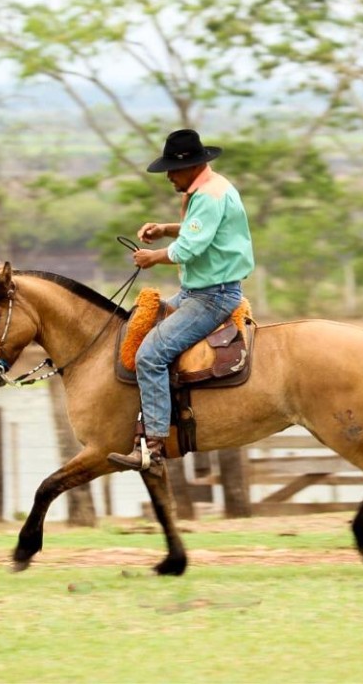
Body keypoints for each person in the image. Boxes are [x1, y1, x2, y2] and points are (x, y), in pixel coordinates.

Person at [108, 128, 255, 472]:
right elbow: (199, 228)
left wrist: (152, 257)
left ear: (189, 165)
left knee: (150, 354)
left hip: (211, 297)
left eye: (171, 171)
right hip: (200, 291)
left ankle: (154, 445)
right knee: (140, 327)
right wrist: (164, 228)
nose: (169, 178)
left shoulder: (208, 196)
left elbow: (190, 247)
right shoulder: (214, 188)